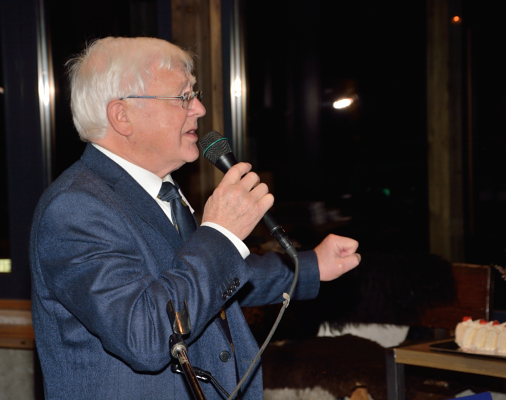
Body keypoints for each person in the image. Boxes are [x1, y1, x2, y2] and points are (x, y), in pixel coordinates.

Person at [30, 36, 361, 399]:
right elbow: (144, 334)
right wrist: (219, 233)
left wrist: (312, 266)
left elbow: (208, 276)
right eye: (183, 97)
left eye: (195, 94)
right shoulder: (74, 207)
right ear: (122, 116)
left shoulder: (158, 190)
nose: (200, 109)